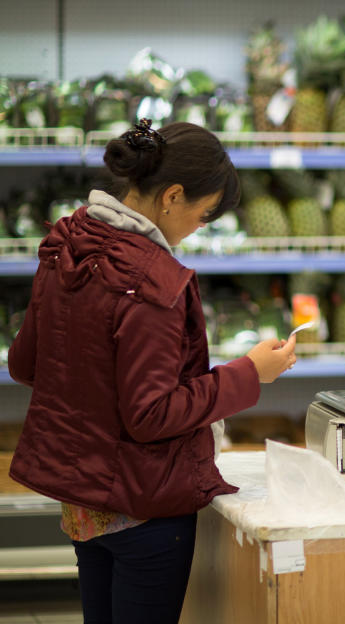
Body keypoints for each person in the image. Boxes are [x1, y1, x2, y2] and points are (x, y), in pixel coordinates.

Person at [7, 119, 298, 623]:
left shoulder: (68, 241)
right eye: (203, 216)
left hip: (81, 498)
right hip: (142, 504)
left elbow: (25, 363)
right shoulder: (152, 280)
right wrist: (250, 373)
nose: (198, 229)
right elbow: (152, 414)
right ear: (172, 196)